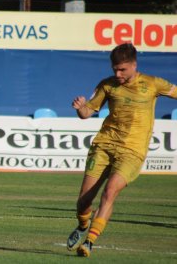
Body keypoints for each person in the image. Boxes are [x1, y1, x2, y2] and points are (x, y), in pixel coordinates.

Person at [67, 43, 177, 257]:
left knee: (110, 192)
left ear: (134, 65)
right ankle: (82, 226)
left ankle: (89, 241)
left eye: (122, 69)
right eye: (114, 69)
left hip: (132, 151)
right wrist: (81, 107)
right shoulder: (107, 85)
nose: (117, 74)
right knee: (84, 201)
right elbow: (87, 113)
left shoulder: (153, 84)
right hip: (103, 146)